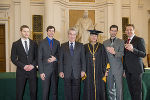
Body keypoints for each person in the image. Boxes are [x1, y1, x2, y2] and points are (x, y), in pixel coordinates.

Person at [11, 25, 38, 100]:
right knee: (19, 93)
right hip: (21, 71)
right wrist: (23, 66)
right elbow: (13, 58)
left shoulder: (34, 43)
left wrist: (33, 65)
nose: (26, 33)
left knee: (33, 92)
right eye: (24, 31)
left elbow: (37, 57)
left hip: (32, 71)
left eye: (28, 31)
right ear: (21, 32)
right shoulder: (15, 44)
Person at [59, 27, 86, 100]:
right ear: (68, 35)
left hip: (77, 73)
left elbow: (83, 59)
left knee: (76, 93)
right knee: (67, 93)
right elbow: (61, 60)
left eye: (74, 34)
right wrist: (61, 71)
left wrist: (83, 70)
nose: (72, 36)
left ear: (76, 35)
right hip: (66, 73)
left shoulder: (81, 45)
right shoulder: (63, 45)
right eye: (70, 34)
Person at [83, 29, 109, 100]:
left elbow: (105, 59)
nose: (94, 37)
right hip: (88, 72)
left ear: (97, 37)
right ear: (90, 36)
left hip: (99, 72)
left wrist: (106, 70)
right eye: (92, 35)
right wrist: (83, 70)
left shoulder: (101, 46)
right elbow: (82, 60)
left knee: (100, 89)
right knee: (89, 89)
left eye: (95, 36)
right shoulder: (85, 47)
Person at [123, 24, 146, 100]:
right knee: (131, 91)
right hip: (128, 71)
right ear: (125, 31)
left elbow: (143, 54)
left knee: (137, 92)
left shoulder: (139, 40)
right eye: (127, 30)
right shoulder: (125, 41)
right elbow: (125, 57)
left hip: (136, 70)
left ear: (134, 30)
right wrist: (124, 70)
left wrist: (133, 49)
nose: (129, 31)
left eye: (130, 29)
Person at [38, 26, 60, 100]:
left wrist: (55, 58)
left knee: (54, 92)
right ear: (47, 32)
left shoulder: (57, 42)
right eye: (49, 30)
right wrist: (41, 72)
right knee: (45, 92)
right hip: (45, 71)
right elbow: (39, 58)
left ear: (54, 32)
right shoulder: (41, 42)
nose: (51, 32)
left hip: (55, 71)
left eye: (53, 31)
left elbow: (59, 55)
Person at [103, 25, 124, 100]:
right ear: (109, 31)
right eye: (112, 30)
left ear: (117, 32)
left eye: (115, 31)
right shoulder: (105, 42)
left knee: (119, 89)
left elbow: (122, 54)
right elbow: (104, 57)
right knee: (110, 88)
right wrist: (105, 69)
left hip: (118, 69)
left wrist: (114, 52)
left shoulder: (121, 41)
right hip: (109, 69)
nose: (113, 32)